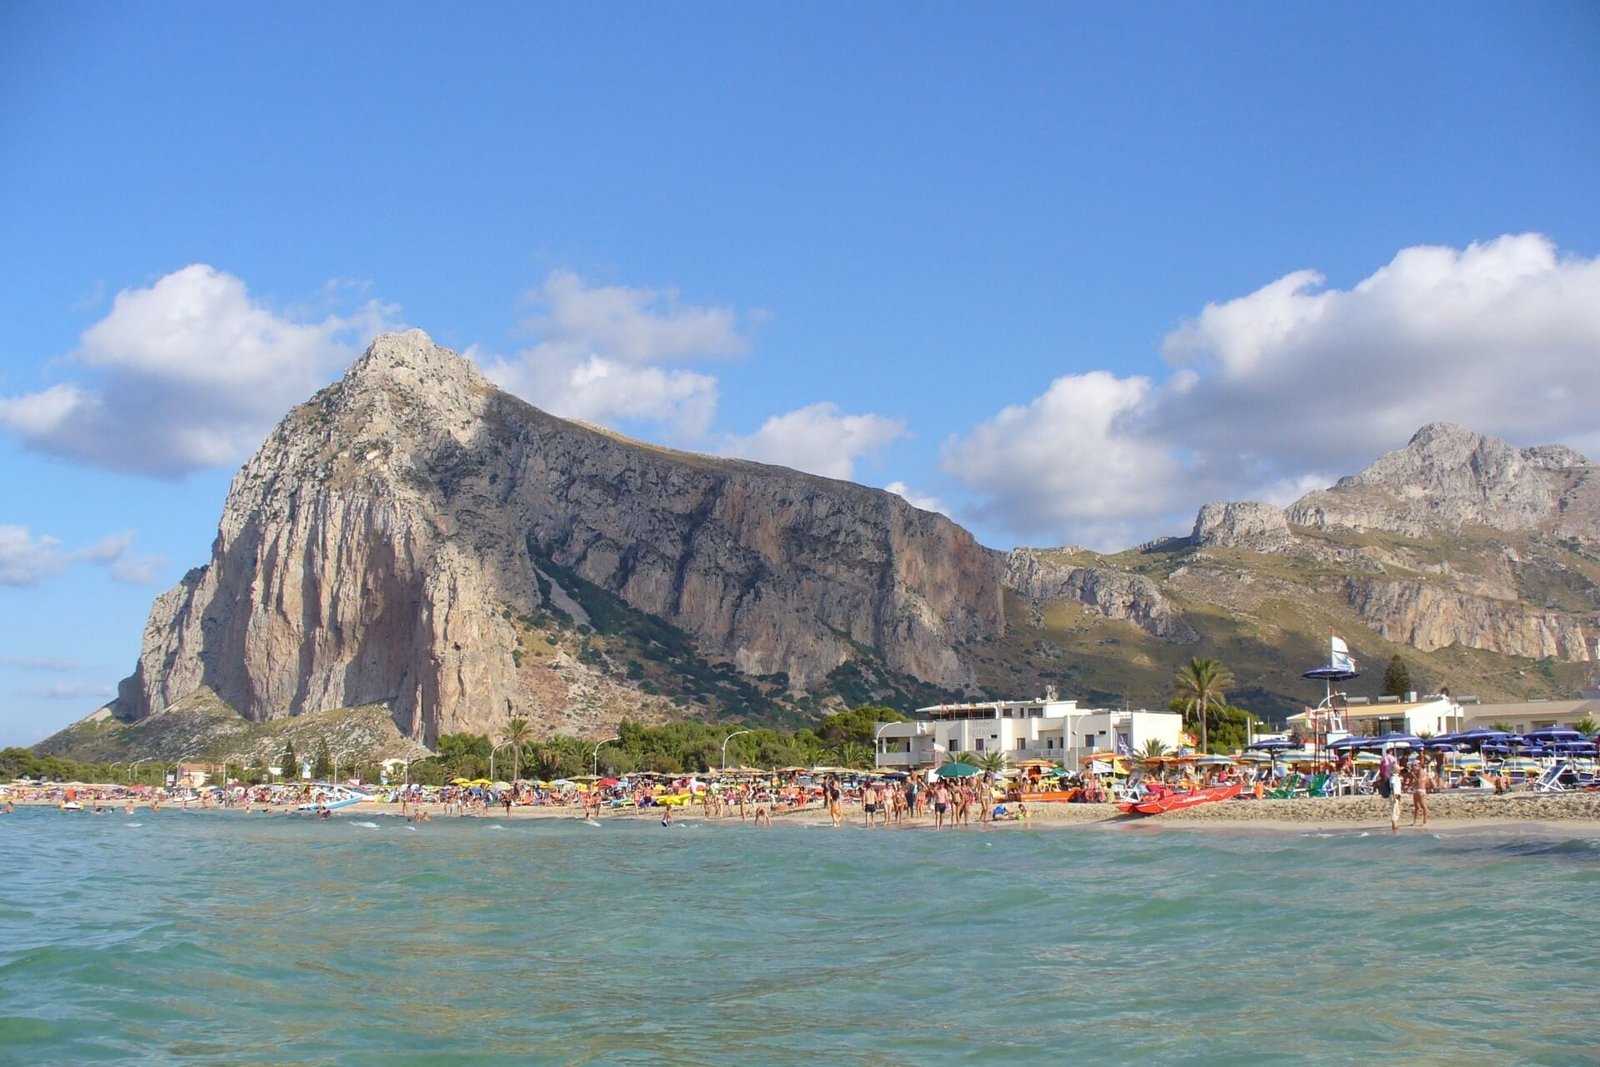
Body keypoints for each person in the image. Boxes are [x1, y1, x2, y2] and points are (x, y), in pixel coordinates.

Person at [1378, 749, 1401, 832]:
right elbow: (1394, 787)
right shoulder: (1394, 777)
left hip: (1387, 779)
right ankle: (1394, 824)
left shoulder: (1383, 758)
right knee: (1395, 808)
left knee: (1396, 808)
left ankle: (1395, 823)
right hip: (1394, 794)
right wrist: (1395, 795)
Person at [1407, 755, 1430, 827]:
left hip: (1421, 790)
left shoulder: (1421, 771)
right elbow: (1413, 782)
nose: (1413, 767)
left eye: (1415, 765)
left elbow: (1419, 782)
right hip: (1416, 790)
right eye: (1413, 765)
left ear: (1419, 765)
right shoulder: (1416, 772)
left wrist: (1413, 775)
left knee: (1423, 806)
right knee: (1417, 806)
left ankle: (1425, 822)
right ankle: (1415, 821)